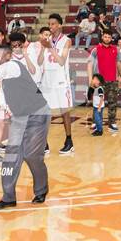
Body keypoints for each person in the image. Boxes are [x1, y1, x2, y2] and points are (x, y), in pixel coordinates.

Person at [0, 43, 50, 210]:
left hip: (38, 113)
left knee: (31, 155)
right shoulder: (3, 80)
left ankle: (41, 190)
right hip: (20, 117)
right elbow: (4, 101)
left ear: (8, 56)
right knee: (11, 157)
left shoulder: (14, 66)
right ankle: (8, 197)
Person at [38, 13, 74, 154]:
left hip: (61, 82)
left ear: (59, 25)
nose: (51, 26)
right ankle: (44, 143)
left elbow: (61, 61)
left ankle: (69, 141)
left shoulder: (66, 41)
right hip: (47, 81)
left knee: (64, 112)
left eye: (53, 24)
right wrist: (43, 47)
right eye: (49, 24)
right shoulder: (46, 40)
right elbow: (40, 62)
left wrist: (50, 47)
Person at [87, 29, 121, 132]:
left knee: (112, 103)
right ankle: (95, 121)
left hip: (112, 81)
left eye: (109, 37)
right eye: (105, 36)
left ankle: (112, 123)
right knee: (98, 103)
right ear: (102, 37)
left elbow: (119, 64)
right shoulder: (96, 49)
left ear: (111, 38)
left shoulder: (115, 49)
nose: (107, 39)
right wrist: (91, 79)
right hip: (99, 82)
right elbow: (89, 64)